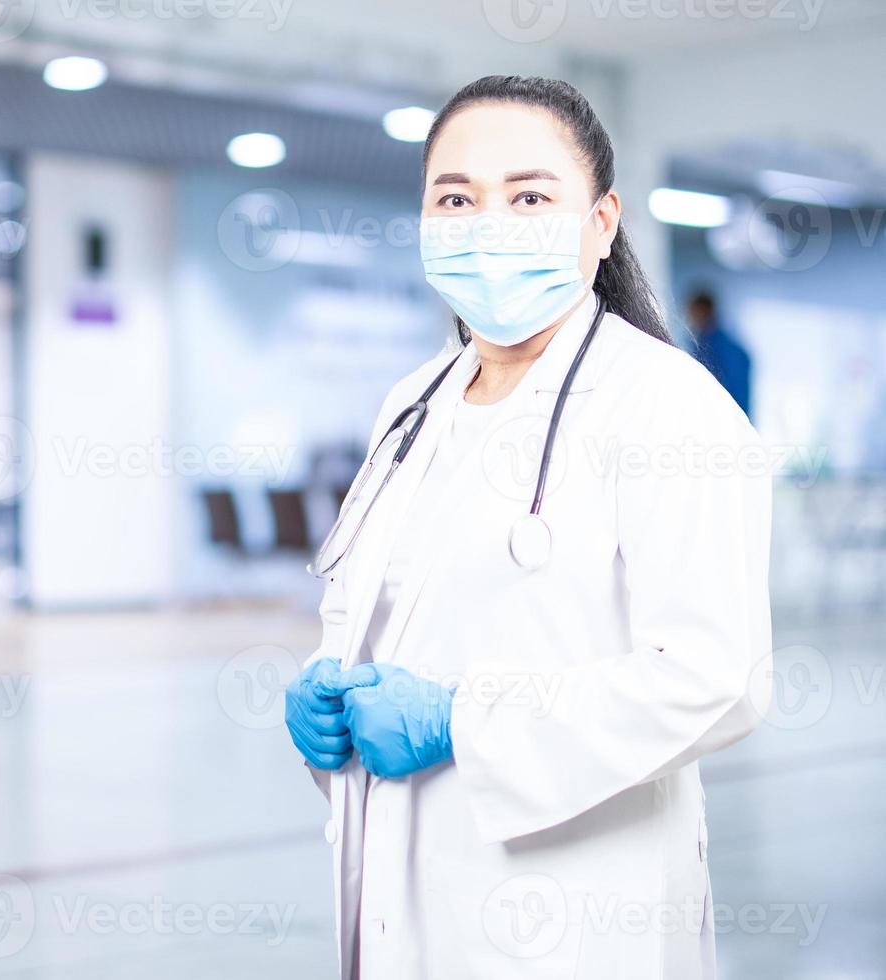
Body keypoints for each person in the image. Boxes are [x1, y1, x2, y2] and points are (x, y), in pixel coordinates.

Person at [284, 76, 771, 980]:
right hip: (402, 880)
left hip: (578, 905)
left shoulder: (665, 406)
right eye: (455, 198)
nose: (486, 223)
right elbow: (385, 612)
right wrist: (331, 695)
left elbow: (716, 676)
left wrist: (460, 721)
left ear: (599, 223)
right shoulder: (412, 403)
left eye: (530, 196)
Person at [686, 290, 752, 417]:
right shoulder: (701, 344)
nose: (690, 316)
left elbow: (734, 390)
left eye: (694, 311)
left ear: (704, 311)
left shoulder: (722, 347)